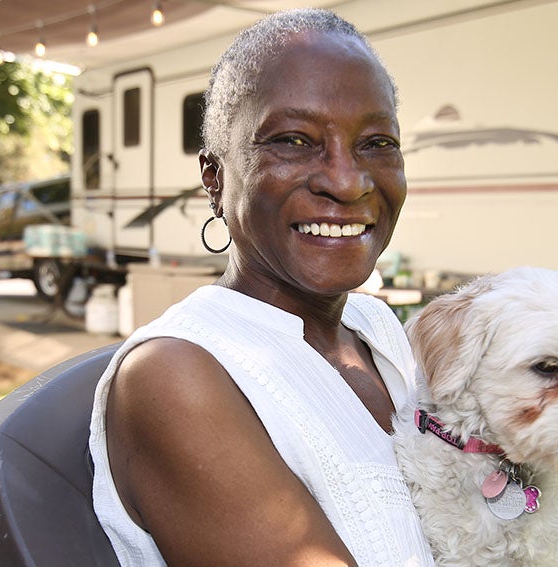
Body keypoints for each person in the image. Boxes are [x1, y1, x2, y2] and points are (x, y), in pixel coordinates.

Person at [87, 9, 434, 566]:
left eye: (376, 143)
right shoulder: (179, 376)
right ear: (215, 177)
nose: (347, 181)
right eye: (294, 140)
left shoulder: (377, 330)